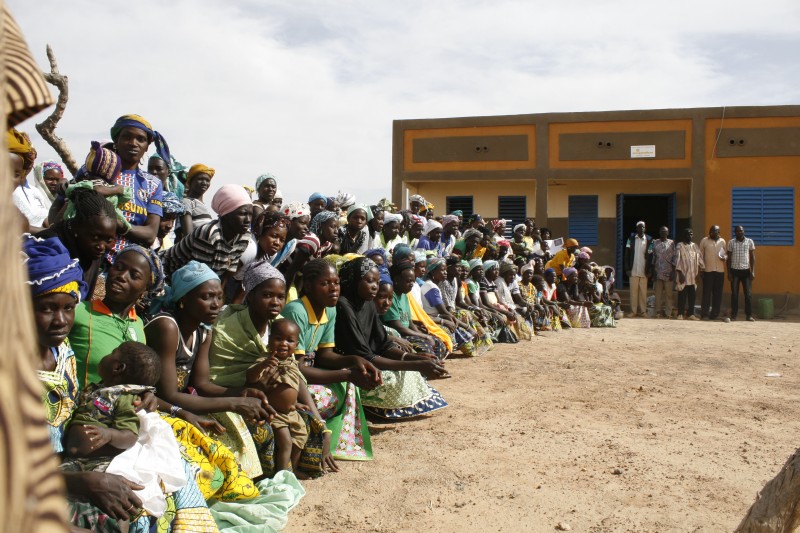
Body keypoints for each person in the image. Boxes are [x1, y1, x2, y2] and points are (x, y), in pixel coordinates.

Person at [281, 259, 382, 463]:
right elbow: (296, 368)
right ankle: (317, 436)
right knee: (340, 384)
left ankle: (340, 442)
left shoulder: (330, 309)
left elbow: (325, 355)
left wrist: (356, 360)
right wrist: (346, 374)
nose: (334, 288)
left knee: (350, 382)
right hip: (289, 379)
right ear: (308, 286)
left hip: (307, 374)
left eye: (336, 282)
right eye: (325, 283)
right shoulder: (297, 311)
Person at [334, 257, 448, 419]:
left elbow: (383, 345)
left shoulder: (367, 304)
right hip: (352, 366)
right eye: (370, 281)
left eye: (377, 282)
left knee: (407, 373)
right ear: (355, 280)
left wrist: (415, 357)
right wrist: (416, 364)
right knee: (390, 378)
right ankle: (372, 410)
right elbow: (365, 356)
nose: (375, 286)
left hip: (371, 361)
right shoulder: (344, 306)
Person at [69, 244, 164, 389]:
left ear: (145, 289)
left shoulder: (138, 324)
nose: (121, 276)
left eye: (134, 275)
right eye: (118, 267)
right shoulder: (79, 311)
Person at [246, 319, 320, 475]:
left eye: (290, 340)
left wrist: (295, 403)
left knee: (300, 438)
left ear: (296, 344)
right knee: (286, 442)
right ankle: (282, 474)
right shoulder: (265, 360)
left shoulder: (292, 363)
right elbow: (251, 377)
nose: (284, 344)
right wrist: (263, 365)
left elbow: (292, 387)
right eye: (278, 339)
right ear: (270, 339)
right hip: (275, 412)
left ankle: (292, 468)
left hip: (291, 412)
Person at [64, 341, 160, 459]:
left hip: (97, 463)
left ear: (117, 368)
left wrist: (110, 435)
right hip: (71, 459)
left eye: (112, 353)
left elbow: (130, 436)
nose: (107, 355)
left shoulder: (126, 399)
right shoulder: (98, 388)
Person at [36, 187, 118, 298]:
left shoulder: (92, 251)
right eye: (95, 237)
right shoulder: (48, 246)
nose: (101, 246)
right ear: (76, 227)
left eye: (109, 240)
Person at [162, 183, 252, 284]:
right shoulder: (210, 234)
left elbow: (228, 273)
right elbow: (198, 277)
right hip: (167, 277)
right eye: (242, 214)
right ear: (226, 214)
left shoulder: (244, 237)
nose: (248, 220)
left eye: (250, 214)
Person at [108, 114, 167, 252]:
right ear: (116, 141)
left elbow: (150, 234)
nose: (133, 143)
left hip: (131, 261)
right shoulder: (98, 172)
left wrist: (117, 223)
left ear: (147, 147)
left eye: (141, 139)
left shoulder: (152, 184)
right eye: (127, 137)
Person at [9, 128, 50, 229]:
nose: (29, 166)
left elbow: (46, 222)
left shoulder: (35, 192)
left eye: (30, 163)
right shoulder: (12, 194)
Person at [624, 221, 653, 317]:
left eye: (643, 227)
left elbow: (651, 256)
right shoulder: (630, 239)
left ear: (645, 228)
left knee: (643, 293)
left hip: (644, 270)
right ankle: (633, 311)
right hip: (633, 270)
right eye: (640, 227)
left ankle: (643, 311)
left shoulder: (650, 240)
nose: (642, 229)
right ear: (637, 229)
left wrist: (649, 270)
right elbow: (627, 254)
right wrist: (627, 268)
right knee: (633, 293)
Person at [727, 225, 756, 322]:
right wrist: (729, 273)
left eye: (741, 231)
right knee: (734, 294)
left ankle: (749, 315)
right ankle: (734, 315)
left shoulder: (749, 241)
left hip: (746, 271)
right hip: (734, 271)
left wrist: (752, 271)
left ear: (744, 231)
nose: (739, 232)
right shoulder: (731, 242)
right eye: (737, 231)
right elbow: (729, 259)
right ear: (735, 232)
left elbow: (752, 257)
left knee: (748, 294)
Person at [698, 225, 727, 321]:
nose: (711, 233)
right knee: (706, 293)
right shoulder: (704, 241)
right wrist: (701, 269)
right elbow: (700, 256)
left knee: (717, 294)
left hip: (720, 271)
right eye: (710, 231)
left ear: (718, 232)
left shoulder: (722, 241)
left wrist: (724, 257)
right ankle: (704, 314)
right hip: (708, 271)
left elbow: (725, 254)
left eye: (714, 231)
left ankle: (715, 314)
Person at [674, 228, 703, 320]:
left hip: (693, 276)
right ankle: (680, 314)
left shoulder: (695, 246)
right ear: (684, 236)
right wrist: (680, 273)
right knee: (682, 295)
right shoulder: (680, 245)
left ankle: (691, 314)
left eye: (691, 234)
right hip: (683, 275)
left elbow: (700, 260)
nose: (690, 236)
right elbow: (677, 259)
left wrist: (699, 274)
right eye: (688, 234)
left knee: (692, 296)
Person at [180, 163, 215, 235]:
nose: (204, 183)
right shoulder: (187, 202)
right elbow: (188, 235)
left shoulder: (204, 206)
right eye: (200, 179)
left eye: (207, 180)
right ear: (190, 181)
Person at [651, 226, 676, 318]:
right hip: (658, 272)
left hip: (669, 272)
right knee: (658, 294)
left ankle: (668, 312)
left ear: (668, 233)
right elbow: (653, 257)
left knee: (669, 294)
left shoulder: (672, 243)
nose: (663, 233)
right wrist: (653, 270)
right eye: (661, 231)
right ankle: (658, 312)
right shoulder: (655, 242)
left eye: (665, 232)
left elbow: (675, 257)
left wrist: (673, 272)